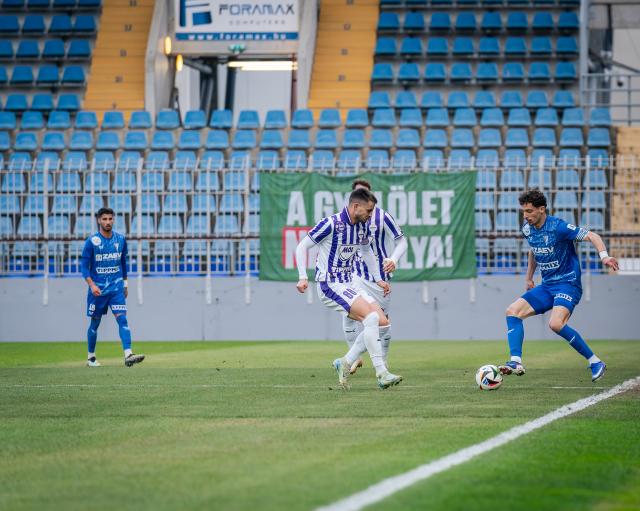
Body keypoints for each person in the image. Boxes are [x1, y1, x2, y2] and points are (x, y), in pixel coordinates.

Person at [499, 189, 618, 382]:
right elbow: (533, 251)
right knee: (512, 312)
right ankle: (515, 362)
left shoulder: (559, 227)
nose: (525, 216)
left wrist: (604, 257)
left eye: (529, 211)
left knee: (555, 324)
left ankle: (595, 361)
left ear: (541, 209)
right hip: (547, 286)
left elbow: (592, 236)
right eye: (523, 211)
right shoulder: (527, 229)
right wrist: (529, 277)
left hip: (567, 284)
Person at [294, 188, 402, 389]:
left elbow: (367, 252)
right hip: (329, 284)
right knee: (371, 318)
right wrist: (302, 276)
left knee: (383, 323)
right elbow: (302, 246)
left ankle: (344, 362)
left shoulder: (361, 227)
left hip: (349, 282)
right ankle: (382, 373)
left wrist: (378, 279)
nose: (370, 215)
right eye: (368, 211)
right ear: (355, 206)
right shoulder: (330, 223)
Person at [343, 179, 408, 374]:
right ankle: (354, 357)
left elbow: (402, 242)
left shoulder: (382, 217)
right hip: (355, 275)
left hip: (380, 278)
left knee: (383, 323)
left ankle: (383, 362)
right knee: (348, 316)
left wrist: (393, 259)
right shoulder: (347, 219)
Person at [81, 208, 145, 368]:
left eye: (110, 219)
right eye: (104, 219)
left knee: (122, 319)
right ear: (99, 220)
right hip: (98, 290)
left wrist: (125, 284)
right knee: (95, 323)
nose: (108, 222)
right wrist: (92, 285)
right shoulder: (92, 241)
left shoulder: (121, 239)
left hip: (116, 288)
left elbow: (123, 263)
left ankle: (128, 354)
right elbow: (84, 267)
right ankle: (91, 357)